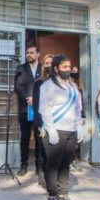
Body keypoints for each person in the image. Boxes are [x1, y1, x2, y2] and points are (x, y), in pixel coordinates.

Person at [39, 55, 83, 200]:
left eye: (69, 67)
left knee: (66, 163)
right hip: (56, 130)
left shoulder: (72, 87)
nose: (68, 70)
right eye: (64, 67)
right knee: (53, 164)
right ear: (56, 69)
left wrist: (79, 127)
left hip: (71, 130)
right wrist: (51, 129)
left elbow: (78, 109)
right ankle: (52, 195)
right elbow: (44, 109)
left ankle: (63, 193)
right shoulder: (48, 86)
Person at [14, 45, 41, 176]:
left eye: (31, 52)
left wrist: (36, 99)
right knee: (25, 137)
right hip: (25, 109)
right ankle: (23, 165)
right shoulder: (21, 68)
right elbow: (18, 87)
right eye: (27, 53)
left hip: (40, 110)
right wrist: (27, 98)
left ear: (38, 54)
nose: (29, 55)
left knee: (39, 137)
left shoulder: (43, 69)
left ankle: (39, 165)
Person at [32, 54, 53, 188]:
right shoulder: (38, 83)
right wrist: (40, 124)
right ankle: (42, 176)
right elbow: (36, 105)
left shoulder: (61, 83)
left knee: (54, 152)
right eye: (46, 63)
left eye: (51, 63)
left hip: (57, 123)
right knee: (43, 151)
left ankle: (52, 176)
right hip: (42, 123)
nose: (49, 65)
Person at [69, 66, 85, 172]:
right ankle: (69, 162)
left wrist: (83, 116)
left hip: (78, 117)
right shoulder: (67, 87)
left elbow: (80, 104)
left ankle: (73, 161)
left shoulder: (77, 88)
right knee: (70, 142)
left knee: (75, 142)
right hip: (70, 118)